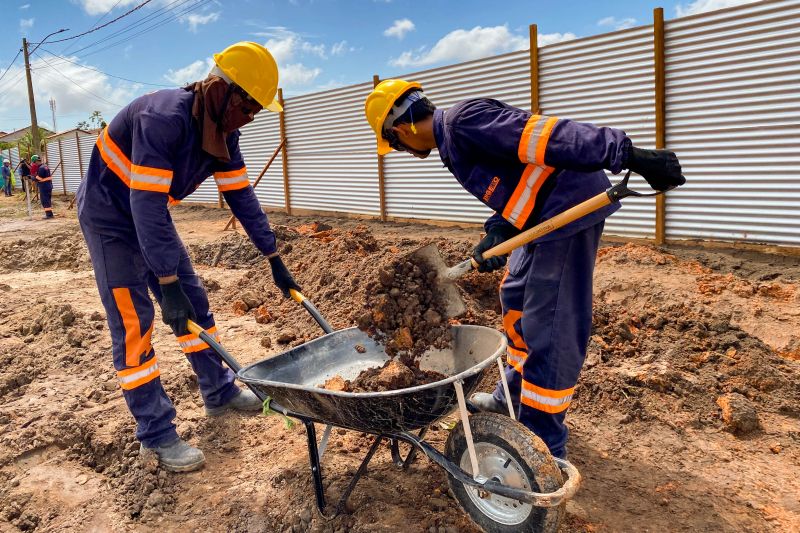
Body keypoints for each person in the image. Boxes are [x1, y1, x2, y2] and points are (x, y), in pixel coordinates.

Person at [364, 80, 685, 459]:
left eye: (396, 145)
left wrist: (629, 155)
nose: (402, 151)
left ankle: (543, 440)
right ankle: (512, 399)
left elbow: (551, 138)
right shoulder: (453, 144)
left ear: (400, 130)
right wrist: (499, 227)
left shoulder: (464, 122)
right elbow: (523, 178)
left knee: (550, 324)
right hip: (538, 220)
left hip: (565, 213)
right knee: (514, 295)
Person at [76, 42, 300, 472]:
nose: (250, 120)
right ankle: (157, 434)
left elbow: (241, 197)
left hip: (150, 214)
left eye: (256, 112)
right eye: (248, 108)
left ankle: (219, 390)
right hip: (111, 219)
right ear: (223, 91)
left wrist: (272, 256)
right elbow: (142, 205)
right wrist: (165, 282)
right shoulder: (163, 119)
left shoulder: (223, 135)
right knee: (134, 323)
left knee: (194, 303)